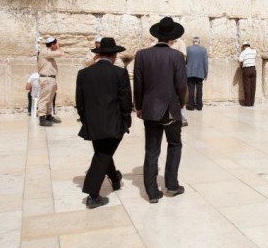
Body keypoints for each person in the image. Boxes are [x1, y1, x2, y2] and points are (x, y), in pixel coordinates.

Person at [134, 17, 187, 203]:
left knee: (152, 149)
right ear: (172, 37)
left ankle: (152, 193)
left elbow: (138, 84)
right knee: (175, 144)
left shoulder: (141, 55)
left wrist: (138, 106)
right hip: (171, 109)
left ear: (157, 35)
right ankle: (172, 185)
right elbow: (181, 84)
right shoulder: (177, 56)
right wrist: (182, 102)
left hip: (149, 109)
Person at [76, 37, 132, 209]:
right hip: (113, 123)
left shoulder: (84, 74)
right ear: (114, 55)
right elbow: (125, 102)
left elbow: (80, 102)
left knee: (103, 151)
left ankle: (115, 178)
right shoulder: (120, 73)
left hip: (92, 123)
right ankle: (92, 195)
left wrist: (86, 120)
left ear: (99, 54)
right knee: (102, 155)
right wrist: (126, 122)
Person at [37, 37, 63, 126]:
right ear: (53, 44)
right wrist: (58, 47)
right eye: (55, 44)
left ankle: (48, 115)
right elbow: (59, 53)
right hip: (46, 79)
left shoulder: (48, 53)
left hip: (50, 79)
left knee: (49, 99)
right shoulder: (45, 52)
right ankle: (42, 117)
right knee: (44, 99)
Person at [186, 37, 208, 111]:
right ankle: (199, 106)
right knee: (199, 89)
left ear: (193, 42)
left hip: (190, 73)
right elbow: (205, 63)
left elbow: (185, 61)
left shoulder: (188, 49)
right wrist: (206, 73)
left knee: (191, 89)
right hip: (200, 73)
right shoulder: (203, 50)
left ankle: (191, 106)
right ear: (199, 42)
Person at [172, 38, 189, 126]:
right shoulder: (157, 42)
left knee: (180, 94)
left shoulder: (180, 42)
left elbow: (183, 58)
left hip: (177, 72)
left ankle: (181, 118)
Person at [238, 41, 257, 106]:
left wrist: (240, 66)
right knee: (253, 86)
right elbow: (254, 48)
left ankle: (248, 103)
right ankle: (252, 102)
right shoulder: (254, 51)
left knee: (247, 86)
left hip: (246, 70)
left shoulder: (243, 52)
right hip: (253, 69)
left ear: (244, 46)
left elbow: (240, 60)